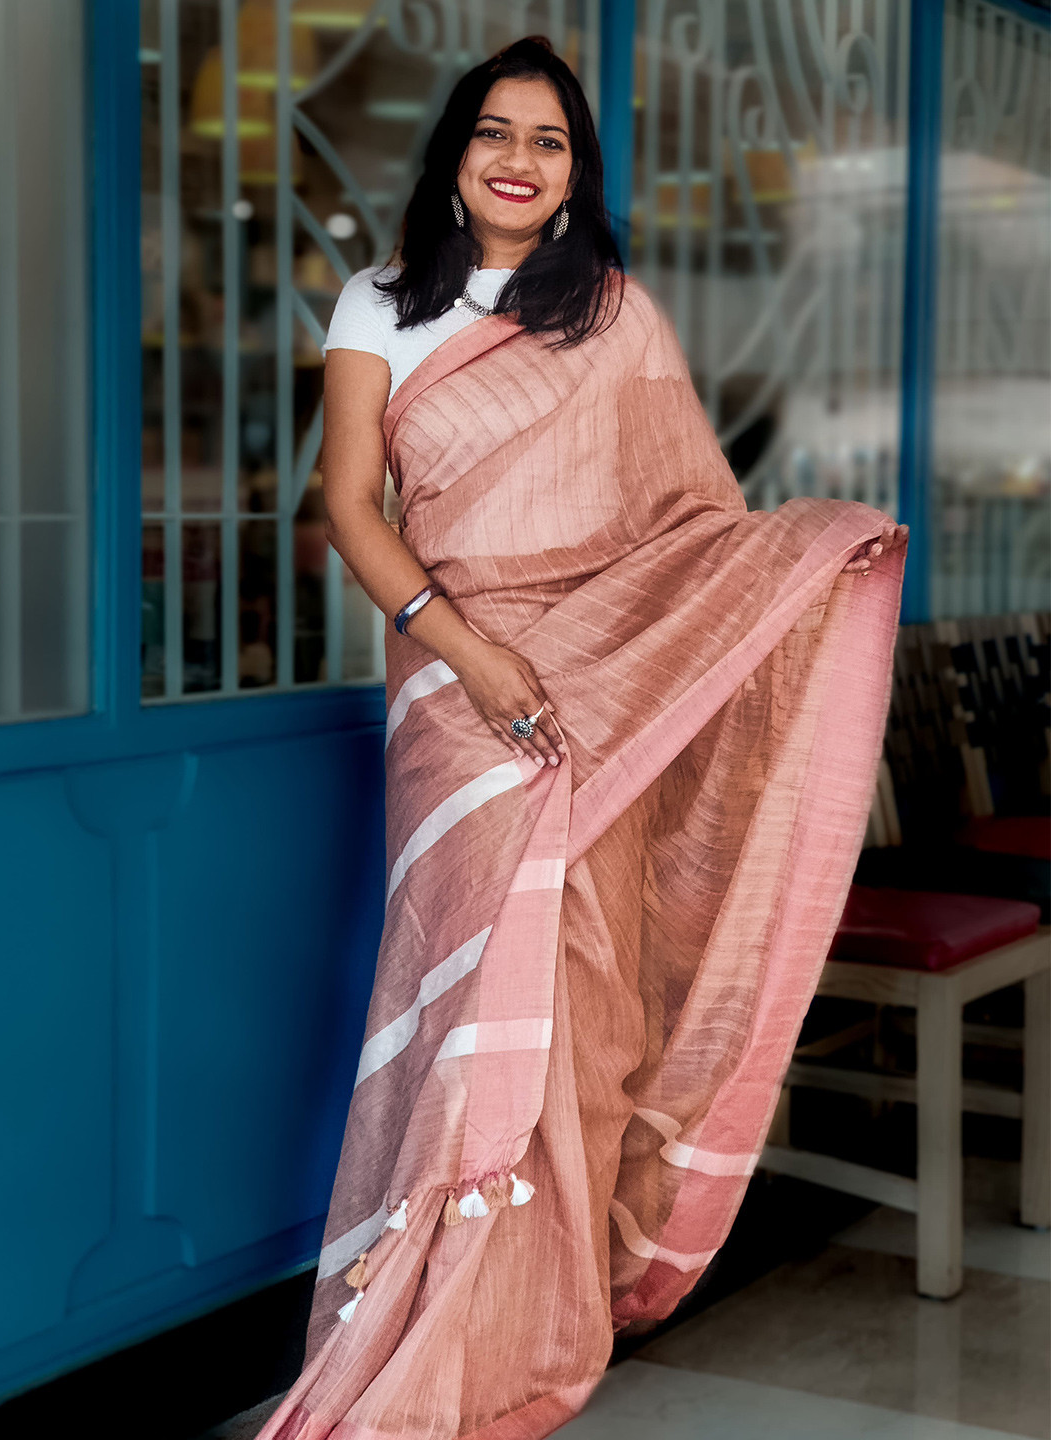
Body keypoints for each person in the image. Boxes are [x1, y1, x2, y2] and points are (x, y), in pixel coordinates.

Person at [257, 35, 907, 1440]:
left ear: (575, 173)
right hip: (454, 681)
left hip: (593, 684)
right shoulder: (378, 305)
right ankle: (423, 1329)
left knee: (582, 993)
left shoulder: (611, 316)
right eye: (495, 130)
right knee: (475, 992)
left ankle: (536, 1318)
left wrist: (796, 569)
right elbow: (352, 510)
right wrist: (476, 650)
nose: (517, 157)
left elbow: (684, 525)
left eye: (549, 140)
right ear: (454, 152)